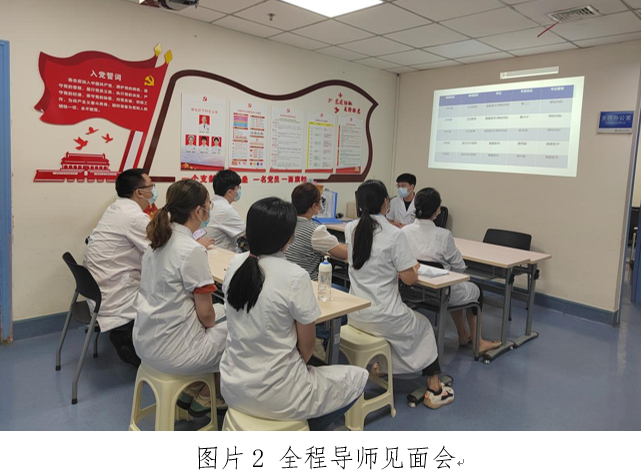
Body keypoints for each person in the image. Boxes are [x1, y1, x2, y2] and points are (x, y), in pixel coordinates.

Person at [220, 197, 368, 430]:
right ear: (289, 238)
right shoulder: (295, 276)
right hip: (278, 396)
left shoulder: (236, 263)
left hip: (233, 386)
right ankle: (303, 427)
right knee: (358, 377)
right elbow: (307, 348)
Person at [345, 180, 454, 409]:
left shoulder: (350, 228)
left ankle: (384, 367)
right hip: (384, 316)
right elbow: (409, 279)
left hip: (356, 315)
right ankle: (435, 387)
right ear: (386, 203)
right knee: (424, 326)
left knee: (405, 327)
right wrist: (411, 266)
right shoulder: (394, 234)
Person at [133, 179, 227, 417]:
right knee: (239, 328)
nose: (209, 210)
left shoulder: (156, 242)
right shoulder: (192, 250)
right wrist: (216, 326)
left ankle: (193, 388)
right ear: (198, 211)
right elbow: (206, 315)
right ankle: (208, 394)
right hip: (174, 353)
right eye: (208, 205)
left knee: (224, 313)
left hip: (145, 342)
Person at [402, 188, 501, 354]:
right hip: (440, 294)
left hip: (413, 291)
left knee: (454, 287)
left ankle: (462, 334)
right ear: (437, 211)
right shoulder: (443, 235)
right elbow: (459, 267)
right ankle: (479, 342)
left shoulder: (404, 231)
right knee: (474, 291)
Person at [84, 169, 156, 367]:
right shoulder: (134, 217)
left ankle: (127, 335)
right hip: (116, 297)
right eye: (151, 186)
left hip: (99, 291)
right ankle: (130, 338)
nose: (153, 190)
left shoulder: (116, 208)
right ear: (139, 192)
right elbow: (162, 249)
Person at [285, 182, 347, 280]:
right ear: (314, 206)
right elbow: (344, 254)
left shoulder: (286, 222)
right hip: (307, 282)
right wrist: (344, 246)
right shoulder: (315, 230)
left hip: (288, 279)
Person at [205, 170, 245, 252]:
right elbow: (247, 234)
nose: (239, 190)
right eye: (238, 188)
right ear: (229, 192)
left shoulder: (213, 203)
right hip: (224, 255)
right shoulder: (226, 210)